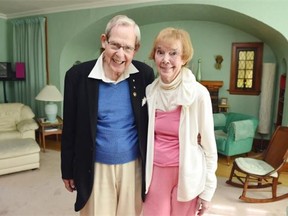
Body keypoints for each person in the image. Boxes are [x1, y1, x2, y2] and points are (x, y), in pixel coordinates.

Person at [61, 15, 154, 216]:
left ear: (135, 49)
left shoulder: (144, 75)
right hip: (94, 166)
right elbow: (69, 127)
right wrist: (67, 169)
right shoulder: (77, 76)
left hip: (133, 167)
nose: (120, 54)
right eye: (115, 45)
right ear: (104, 41)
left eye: (127, 47)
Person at [143, 27, 218, 216]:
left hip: (188, 175)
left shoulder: (198, 93)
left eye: (173, 53)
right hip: (156, 172)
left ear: (184, 58)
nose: (165, 59)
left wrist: (208, 192)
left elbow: (210, 149)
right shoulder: (150, 91)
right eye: (160, 52)